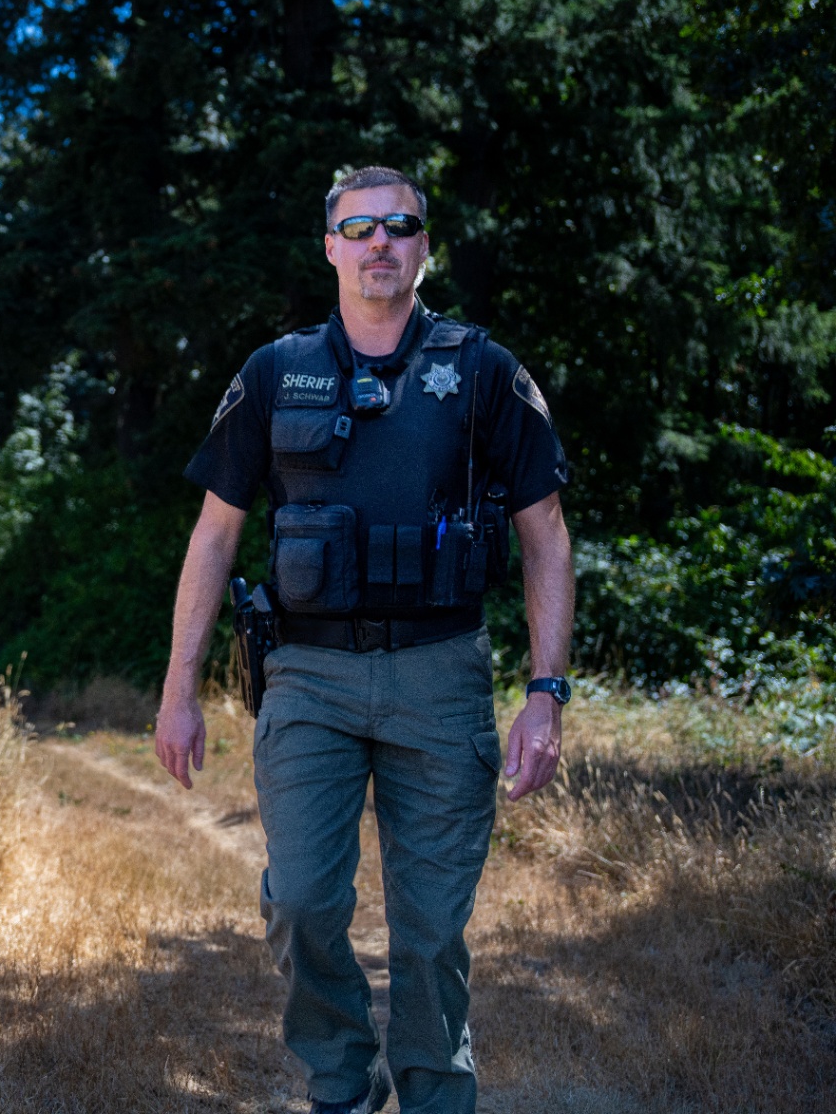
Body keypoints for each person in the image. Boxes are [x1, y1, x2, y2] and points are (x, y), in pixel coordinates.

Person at [154, 166, 574, 1114]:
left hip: (440, 677)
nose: (380, 242)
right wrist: (179, 686)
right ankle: (343, 1084)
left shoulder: (484, 370)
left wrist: (546, 693)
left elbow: (543, 532)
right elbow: (215, 534)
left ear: (425, 246)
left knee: (430, 935)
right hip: (308, 676)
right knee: (302, 903)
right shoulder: (273, 371)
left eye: (400, 226)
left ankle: (434, 1097)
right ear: (332, 248)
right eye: (361, 228)